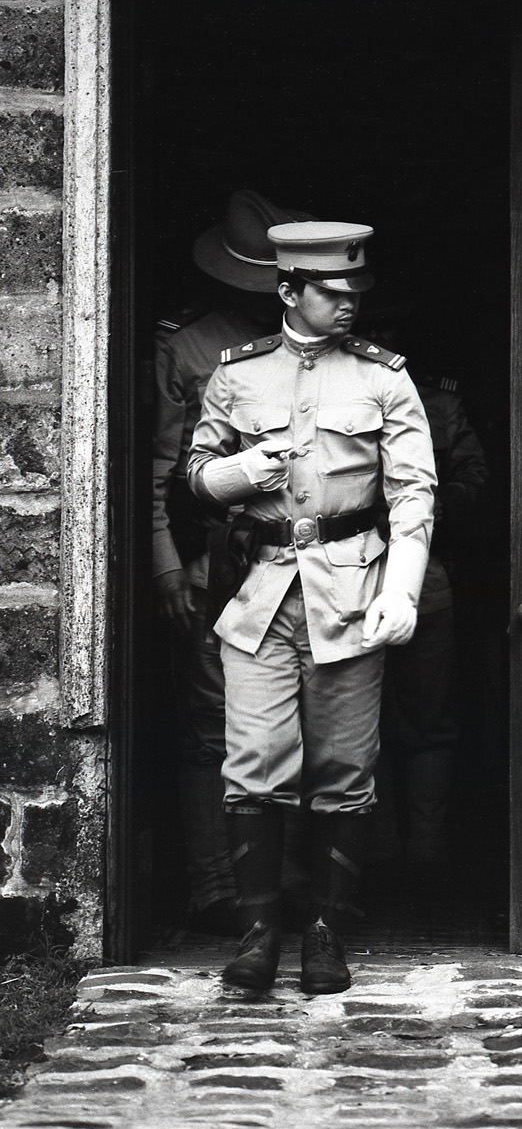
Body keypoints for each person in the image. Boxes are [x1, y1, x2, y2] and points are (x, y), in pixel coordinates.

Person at [186, 221, 436, 995]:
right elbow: (193, 474)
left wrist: (401, 587)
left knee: (343, 772)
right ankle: (259, 934)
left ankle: (326, 935)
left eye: (355, 289)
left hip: (350, 594)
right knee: (253, 765)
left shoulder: (383, 378)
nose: (348, 302)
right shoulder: (238, 374)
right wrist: (238, 473)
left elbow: (413, 492)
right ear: (288, 290)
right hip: (260, 596)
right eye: (331, 291)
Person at [153, 188, 309, 933]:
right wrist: (166, 562)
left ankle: (286, 885)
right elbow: (160, 467)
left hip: (300, 560)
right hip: (211, 561)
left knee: (297, 726)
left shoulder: (320, 349)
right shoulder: (186, 346)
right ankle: (215, 885)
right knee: (209, 728)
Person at [375, 359, 489, 880]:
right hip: (340, 578)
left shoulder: (439, 404)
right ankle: (372, 846)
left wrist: (444, 504)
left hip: (428, 578)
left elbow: (475, 475)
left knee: (429, 715)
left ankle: (426, 846)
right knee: (354, 720)